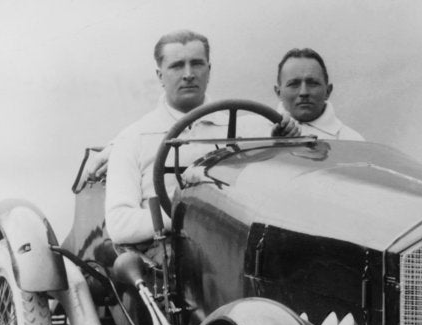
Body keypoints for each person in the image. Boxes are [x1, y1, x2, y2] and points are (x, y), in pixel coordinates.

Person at [95, 30, 298, 244]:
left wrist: (284, 139)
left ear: (209, 70)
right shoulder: (133, 138)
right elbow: (119, 224)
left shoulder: (251, 128)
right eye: (176, 66)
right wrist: (189, 214)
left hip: (237, 246)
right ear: (160, 75)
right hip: (169, 255)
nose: (188, 74)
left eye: (197, 64)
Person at [273, 48, 363, 141]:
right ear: (278, 92)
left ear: (328, 91)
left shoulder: (352, 141)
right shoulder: (259, 132)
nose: (304, 92)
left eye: (313, 83)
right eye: (293, 84)